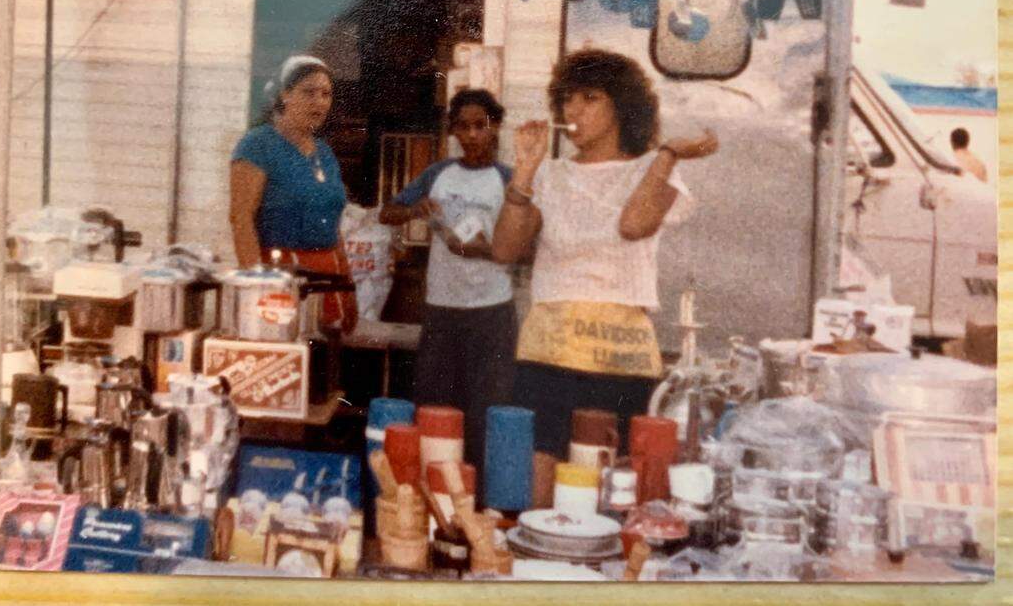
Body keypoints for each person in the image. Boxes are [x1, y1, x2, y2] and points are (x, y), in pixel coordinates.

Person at [492, 48, 718, 456]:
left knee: (609, 484)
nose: (574, 109)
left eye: (590, 98)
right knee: (540, 484)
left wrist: (667, 155)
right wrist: (524, 174)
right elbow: (506, 249)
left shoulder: (652, 168)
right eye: (568, 99)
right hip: (548, 352)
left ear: (622, 107)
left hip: (622, 359)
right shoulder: (551, 173)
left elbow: (633, 226)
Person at [379, 89, 516, 471]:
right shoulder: (438, 173)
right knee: (435, 408)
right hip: (442, 310)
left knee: (485, 412)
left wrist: (485, 249)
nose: (472, 135)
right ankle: (430, 495)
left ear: (496, 127)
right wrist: (414, 209)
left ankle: (478, 502)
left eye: (481, 126)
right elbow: (387, 213)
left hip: (492, 312)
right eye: (463, 127)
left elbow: (529, 248)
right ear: (453, 130)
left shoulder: (508, 180)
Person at [229, 54, 357, 333]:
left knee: (326, 365)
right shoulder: (257, 145)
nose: (320, 102)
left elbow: (333, 225)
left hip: (327, 275)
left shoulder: (324, 152)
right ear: (284, 95)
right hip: (281, 277)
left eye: (326, 94)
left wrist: (347, 286)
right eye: (309, 92)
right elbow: (241, 220)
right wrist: (258, 292)